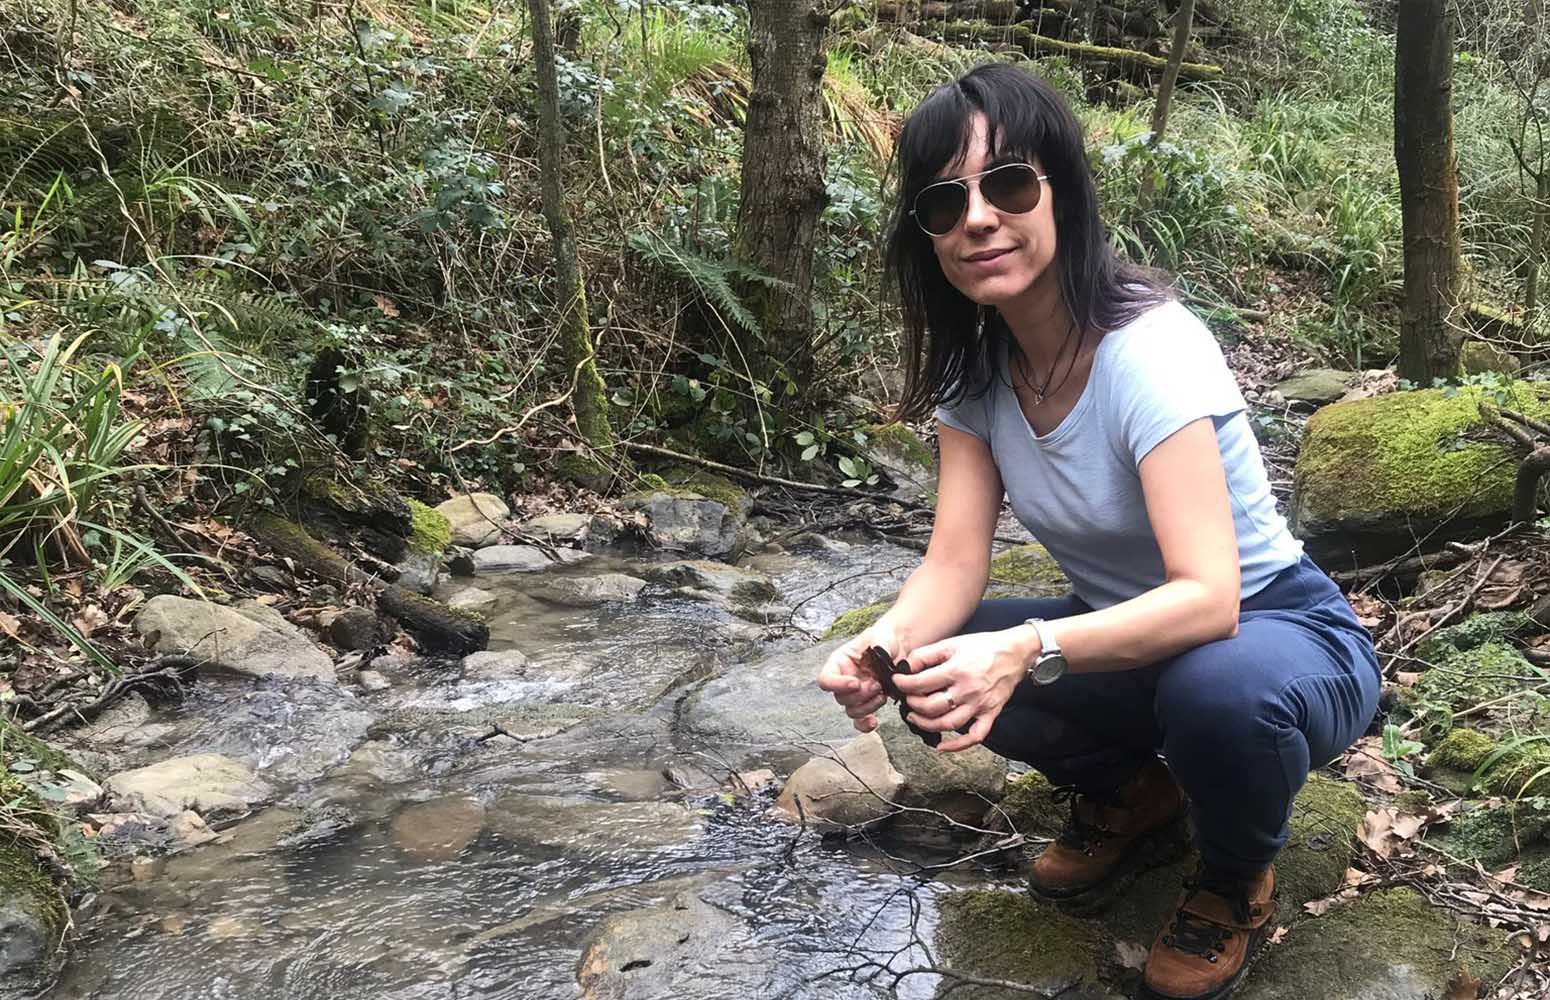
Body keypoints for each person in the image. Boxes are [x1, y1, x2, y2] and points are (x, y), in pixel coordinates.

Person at [816, 63, 1380, 1000]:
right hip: (1127, 634)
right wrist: (878, 648)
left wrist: (1030, 645)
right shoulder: (979, 372)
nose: (978, 219)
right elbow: (953, 562)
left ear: (1061, 192)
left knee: (1217, 695)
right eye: (944, 203)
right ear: (927, 237)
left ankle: (1235, 873)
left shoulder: (1150, 350)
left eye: (1006, 184)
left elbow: (1210, 595)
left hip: (1275, 633)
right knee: (933, 663)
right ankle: (1135, 793)